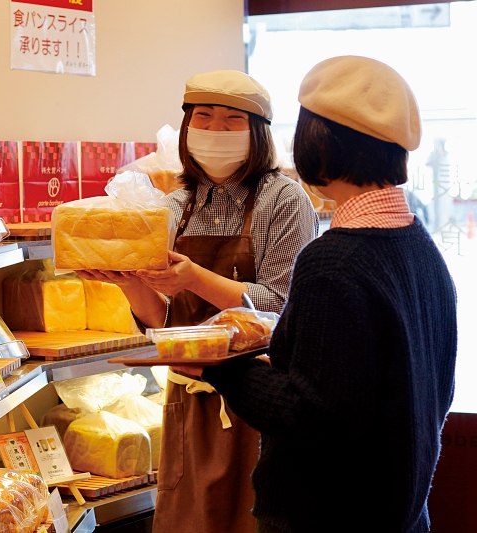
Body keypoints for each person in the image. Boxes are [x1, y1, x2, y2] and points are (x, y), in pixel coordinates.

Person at [195, 56, 458, 533]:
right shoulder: (421, 248)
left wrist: (221, 366)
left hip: (328, 515)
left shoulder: (333, 260)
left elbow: (309, 416)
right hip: (402, 512)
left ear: (321, 141)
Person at [77, 70, 318, 532]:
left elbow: (281, 306)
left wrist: (192, 277)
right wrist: (127, 282)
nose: (215, 130)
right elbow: (164, 323)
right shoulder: (177, 203)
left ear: (258, 132)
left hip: (259, 400)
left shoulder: (284, 199)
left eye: (231, 120)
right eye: (203, 118)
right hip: (191, 400)